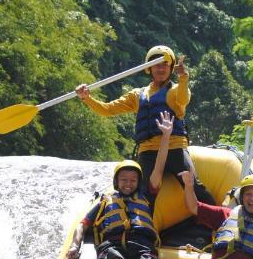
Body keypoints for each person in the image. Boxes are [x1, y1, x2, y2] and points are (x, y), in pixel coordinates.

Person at [66, 112, 174, 259]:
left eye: (132, 180)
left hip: (142, 246)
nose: (128, 184)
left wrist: (166, 137)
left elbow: (159, 169)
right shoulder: (106, 201)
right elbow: (82, 225)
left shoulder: (147, 196)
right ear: (117, 181)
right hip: (113, 245)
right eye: (124, 180)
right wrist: (75, 245)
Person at [75, 45, 214, 204]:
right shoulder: (137, 95)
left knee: (194, 187)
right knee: (142, 194)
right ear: (149, 68)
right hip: (147, 151)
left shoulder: (176, 90)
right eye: (156, 65)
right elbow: (108, 109)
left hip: (174, 148)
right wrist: (87, 98)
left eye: (164, 65)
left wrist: (183, 78)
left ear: (171, 68)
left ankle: (221, 219)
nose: (160, 69)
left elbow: (183, 100)